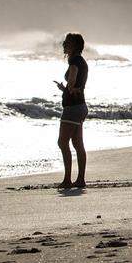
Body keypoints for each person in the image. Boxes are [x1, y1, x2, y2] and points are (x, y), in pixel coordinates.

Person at [54, 32, 88, 189]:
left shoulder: (74, 61)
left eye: (67, 42)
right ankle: (80, 179)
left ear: (74, 45)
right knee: (77, 144)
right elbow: (76, 84)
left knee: (62, 142)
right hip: (80, 107)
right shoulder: (82, 61)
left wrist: (70, 87)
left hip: (73, 108)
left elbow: (73, 79)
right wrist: (67, 88)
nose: (64, 44)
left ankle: (68, 179)